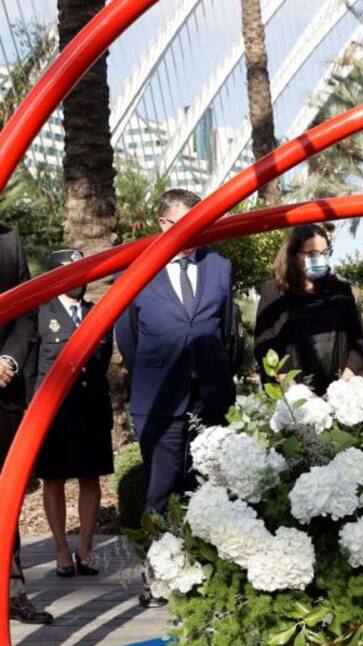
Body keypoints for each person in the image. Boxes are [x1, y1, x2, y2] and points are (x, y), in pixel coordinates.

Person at [115, 189, 238, 606]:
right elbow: (128, 336)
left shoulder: (220, 267)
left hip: (211, 397)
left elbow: (226, 327)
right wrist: (157, 368)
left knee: (206, 488)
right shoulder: (137, 268)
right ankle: (159, 578)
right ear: (165, 225)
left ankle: (205, 574)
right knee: (160, 491)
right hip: (159, 397)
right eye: (187, 222)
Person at [31, 250, 114, 579]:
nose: (79, 281)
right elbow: (32, 367)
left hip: (91, 408)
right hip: (54, 413)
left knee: (90, 477)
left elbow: (102, 360)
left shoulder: (98, 313)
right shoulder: (40, 315)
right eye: (70, 274)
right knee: (53, 480)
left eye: (83, 273)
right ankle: (61, 549)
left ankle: (86, 549)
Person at [254, 223, 363, 393]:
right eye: (312, 254)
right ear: (293, 254)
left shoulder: (341, 291)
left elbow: (357, 343)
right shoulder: (273, 292)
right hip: (291, 396)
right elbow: (264, 344)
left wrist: (342, 389)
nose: (320, 258)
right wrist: (294, 392)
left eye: (325, 253)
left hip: (339, 393)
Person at [0, 223, 47, 624]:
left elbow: (28, 311)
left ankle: (11, 591)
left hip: (3, 392)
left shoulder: (9, 240)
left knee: (6, 495)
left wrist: (9, 360)